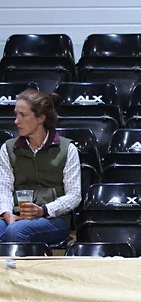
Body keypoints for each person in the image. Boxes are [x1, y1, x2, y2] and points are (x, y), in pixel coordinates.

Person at [0, 89, 80, 246]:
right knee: (12, 229)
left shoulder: (67, 148)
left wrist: (44, 209)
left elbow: (74, 195)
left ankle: (16, 270)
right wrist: (7, 214)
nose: (16, 121)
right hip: (17, 215)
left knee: (17, 231)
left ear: (41, 118)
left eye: (23, 115)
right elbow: (4, 188)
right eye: (16, 114)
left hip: (53, 219)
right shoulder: (8, 148)